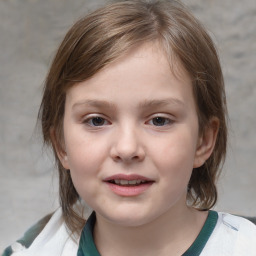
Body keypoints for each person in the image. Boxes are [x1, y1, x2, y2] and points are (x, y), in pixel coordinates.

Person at [2, 0, 256, 255]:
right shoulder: (34, 248)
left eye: (159, 120)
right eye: (97, 120)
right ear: (61, 145)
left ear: (203, 140)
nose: (126, 148)